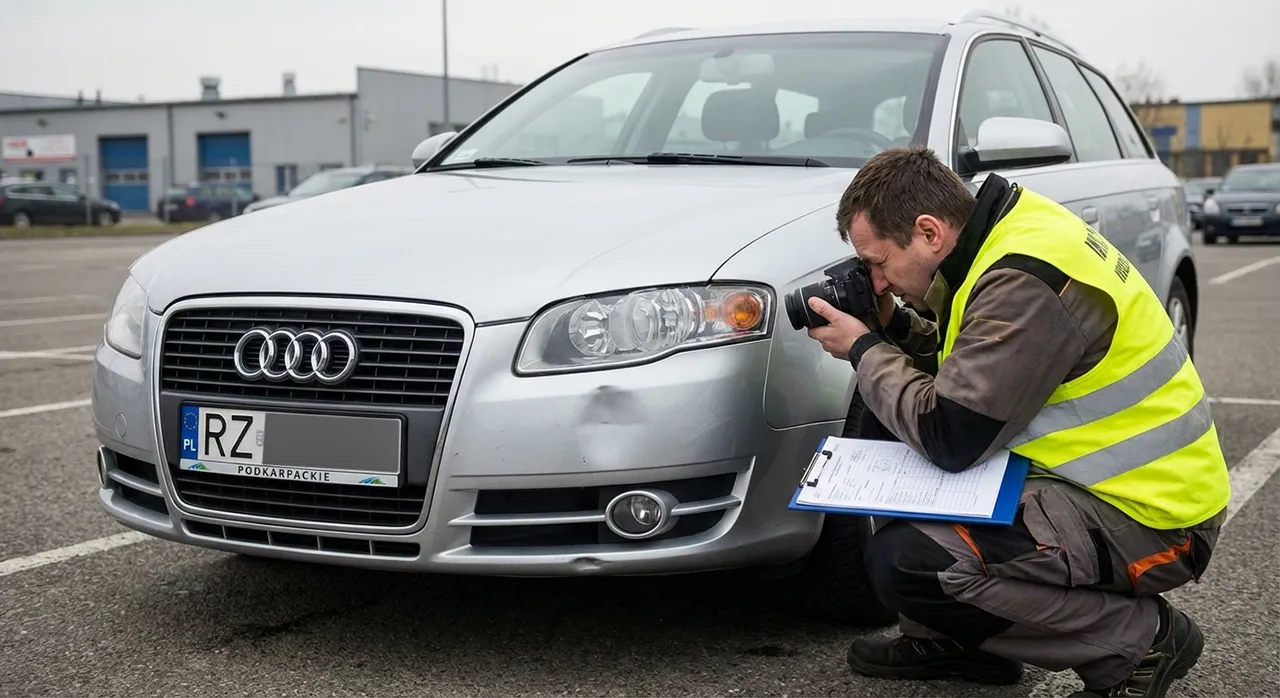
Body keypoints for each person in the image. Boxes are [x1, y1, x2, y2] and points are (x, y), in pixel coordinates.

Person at [803, 146, 1230, 698]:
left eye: (879, 262)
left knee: (915, 562)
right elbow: (975, 368)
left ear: (929, 232)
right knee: (891, 432)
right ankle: (956, 640)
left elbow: (950, 435)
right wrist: (896, 331)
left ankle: (1138, 641)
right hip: (1089, 482)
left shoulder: (1025, 280)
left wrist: (864, 349)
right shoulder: (1002, 233)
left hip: (1154, 514)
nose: (877, 281)